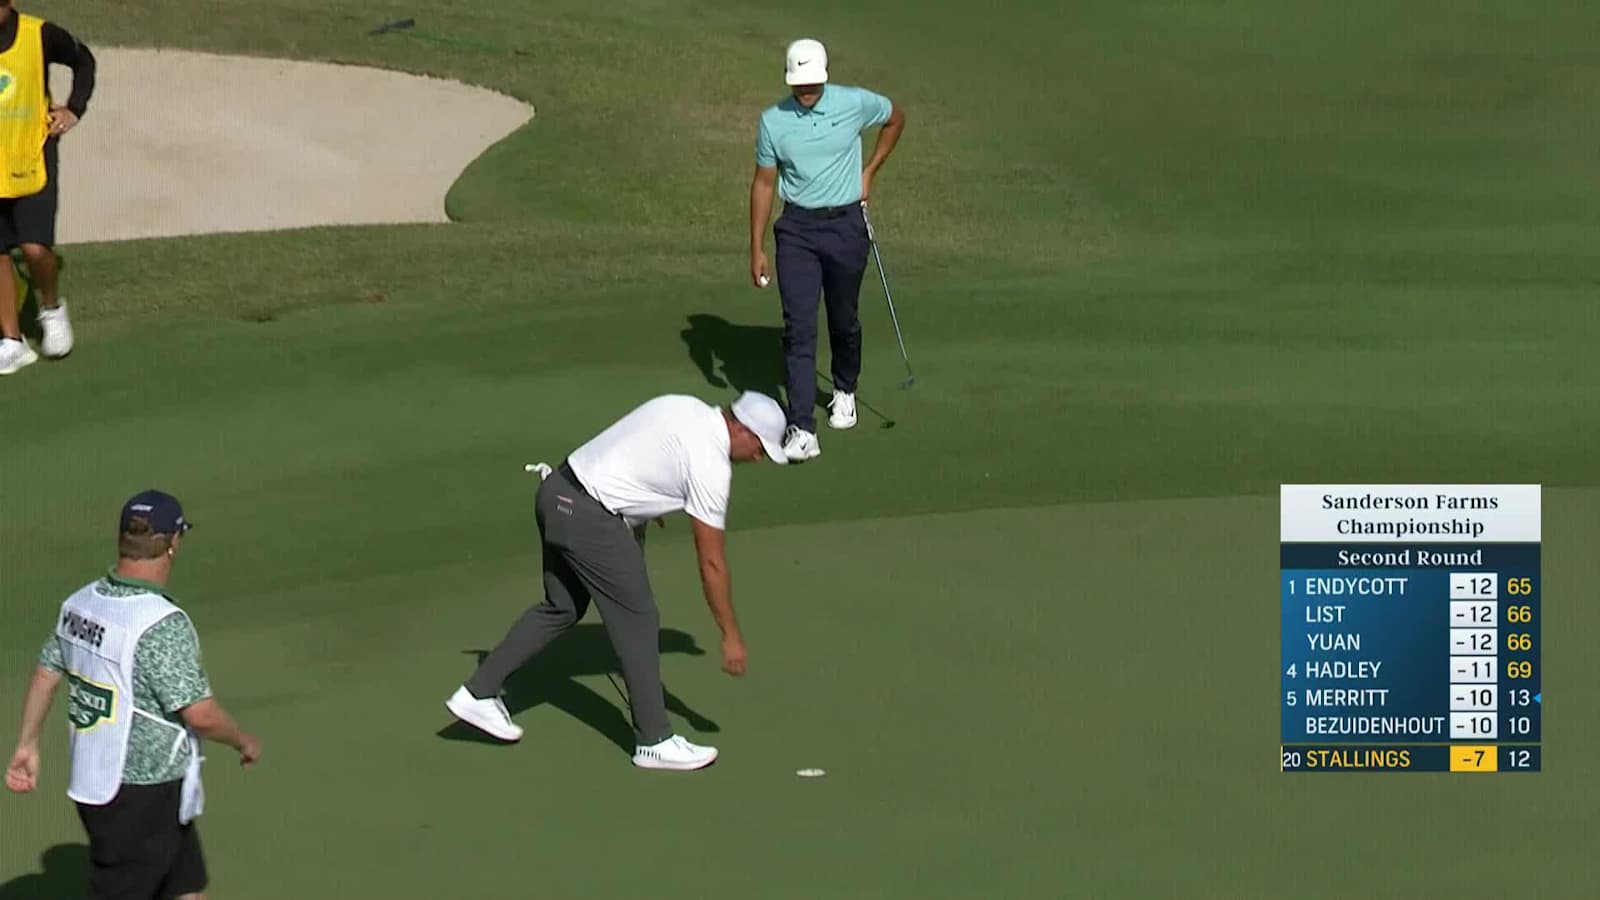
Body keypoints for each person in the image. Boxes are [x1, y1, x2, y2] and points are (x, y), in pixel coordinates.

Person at [446, 390, 790, 771]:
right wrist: (730, 634)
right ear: (742, 430)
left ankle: (477, 693)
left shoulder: (685, 405)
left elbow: (641, 452)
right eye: (760, 447)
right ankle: (654, 740)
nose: (758, 457)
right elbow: (711, 561)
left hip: (555, 492)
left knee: (562, 606)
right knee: (639, 620)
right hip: (590, 518)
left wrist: (645, 503)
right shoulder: (712, 464)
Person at [5, 490, 262, 900]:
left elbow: (46, 671)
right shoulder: (160, 624)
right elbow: (201, 715)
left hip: (114, 783)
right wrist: (243, 740)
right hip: (140, 799)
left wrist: (27, 743)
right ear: (173, 544)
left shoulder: (81, 604)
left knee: (186, 889)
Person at [748, 37, 906, 461]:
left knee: (844, 319)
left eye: (813, 83)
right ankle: (802, 427)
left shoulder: (853, 103)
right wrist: (756, 247)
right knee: (798, 329)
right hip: (797, 229)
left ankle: (844, 388)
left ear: (825, 75)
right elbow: (764, 183)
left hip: (846, 227)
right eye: (800, 84)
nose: (806, 91)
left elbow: (895, 118)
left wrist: (869, 172)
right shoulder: (773, 121)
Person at [0, 0, 96, 375]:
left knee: (35, 248)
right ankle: (11, 342)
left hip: (32, 157)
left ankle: (51, 309)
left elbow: (83, 60)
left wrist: (74, 109)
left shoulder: (39, 34)